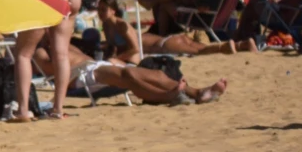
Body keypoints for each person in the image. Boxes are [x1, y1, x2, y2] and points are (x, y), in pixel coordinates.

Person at [71, 56, 228, 105]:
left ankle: (196, 92)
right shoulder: (55, 50)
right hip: (83, 74)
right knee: (129, 74)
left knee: (155, 74)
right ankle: (169, 96)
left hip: (95, 66)